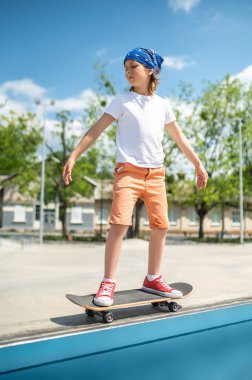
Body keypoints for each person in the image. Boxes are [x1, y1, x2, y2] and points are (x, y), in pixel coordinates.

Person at [63, 47, 208, 307]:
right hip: (128, 172)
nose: (128, 71)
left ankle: (153, 278)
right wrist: (74, 156)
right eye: (126, 67)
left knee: (161, 225)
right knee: (119, 224)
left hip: (156, 174)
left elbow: (179, 137)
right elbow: (96, 129)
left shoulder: (162, 105)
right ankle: (108, 282)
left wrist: (197, 163)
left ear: (150, 71)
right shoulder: (122, 100)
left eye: (134, 66)